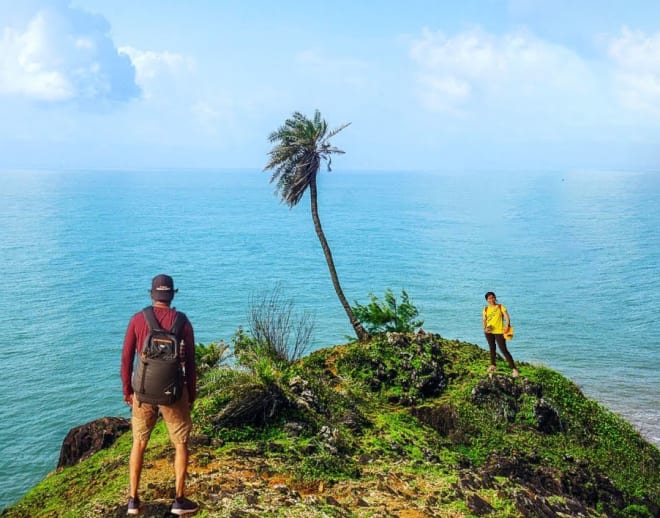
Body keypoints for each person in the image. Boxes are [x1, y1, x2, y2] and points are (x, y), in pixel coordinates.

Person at [120, 274, 198, 515]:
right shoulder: (183, 322)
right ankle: (179, 500)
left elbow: (125, 358)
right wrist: (190, 394)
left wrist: (128, 390)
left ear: (152, 294)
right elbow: (191, 363)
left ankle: (133, 500)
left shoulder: (137, 320)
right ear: (173, 294)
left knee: (139, 443)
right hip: (173, 393)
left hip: (142, 393)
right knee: (180, 443)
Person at [482, 291, 519, 378]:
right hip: (489, 331)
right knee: (492, 348)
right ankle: (493, 365)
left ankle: (514, 369)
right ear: (487, 300)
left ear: (495, 298)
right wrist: (485, 328)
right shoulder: (485, 309)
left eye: (493, 297)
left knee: (503, 350)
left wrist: (507, 325)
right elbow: (484, 319)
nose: (491, 299)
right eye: (489, 298)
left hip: (499, 331)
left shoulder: (500, 306)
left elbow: (506, 316)